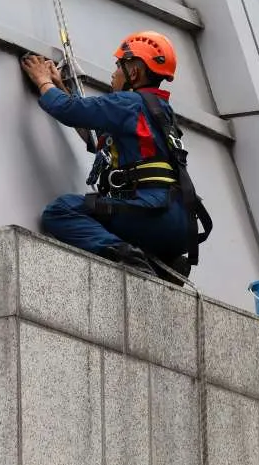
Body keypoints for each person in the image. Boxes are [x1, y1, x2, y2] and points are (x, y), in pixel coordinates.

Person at [20, 31, 209, 281]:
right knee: (113, 216)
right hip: (179, 223)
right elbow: (97, 139)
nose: (114, 73)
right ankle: (164, 263)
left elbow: (68, 110)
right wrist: (62, 86)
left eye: (119, 66)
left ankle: (127, 258)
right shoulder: (159, 112)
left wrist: (44, 81)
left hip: (151, 213)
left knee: (61, 210)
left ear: (134, 73)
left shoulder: (129, 103)